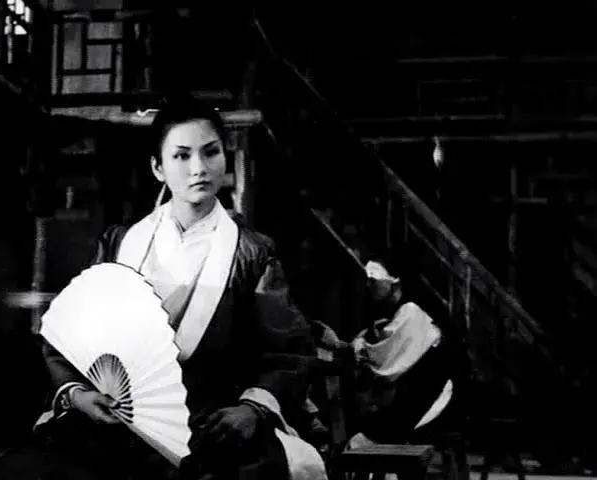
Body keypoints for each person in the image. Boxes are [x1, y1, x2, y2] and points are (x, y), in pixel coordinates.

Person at [34, 94, 327, 480]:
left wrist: (251, 409)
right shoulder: (120, 244)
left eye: (211, 152)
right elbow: (73, 335)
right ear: (158, 167)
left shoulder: (251, 253)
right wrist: (79, 394)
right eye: (181, 156)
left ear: (225, 158)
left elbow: (286, 350)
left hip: (212, 423)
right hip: (117, 419)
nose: (199, 168)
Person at [346, 254, 461, 449]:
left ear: (394, 281)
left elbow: (384, 360)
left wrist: (356, 346)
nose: (368, 285)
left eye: (373, 279)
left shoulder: (412, 310)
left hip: (432, 397)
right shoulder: (395, 311)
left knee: (360, 440)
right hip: (414, 394)